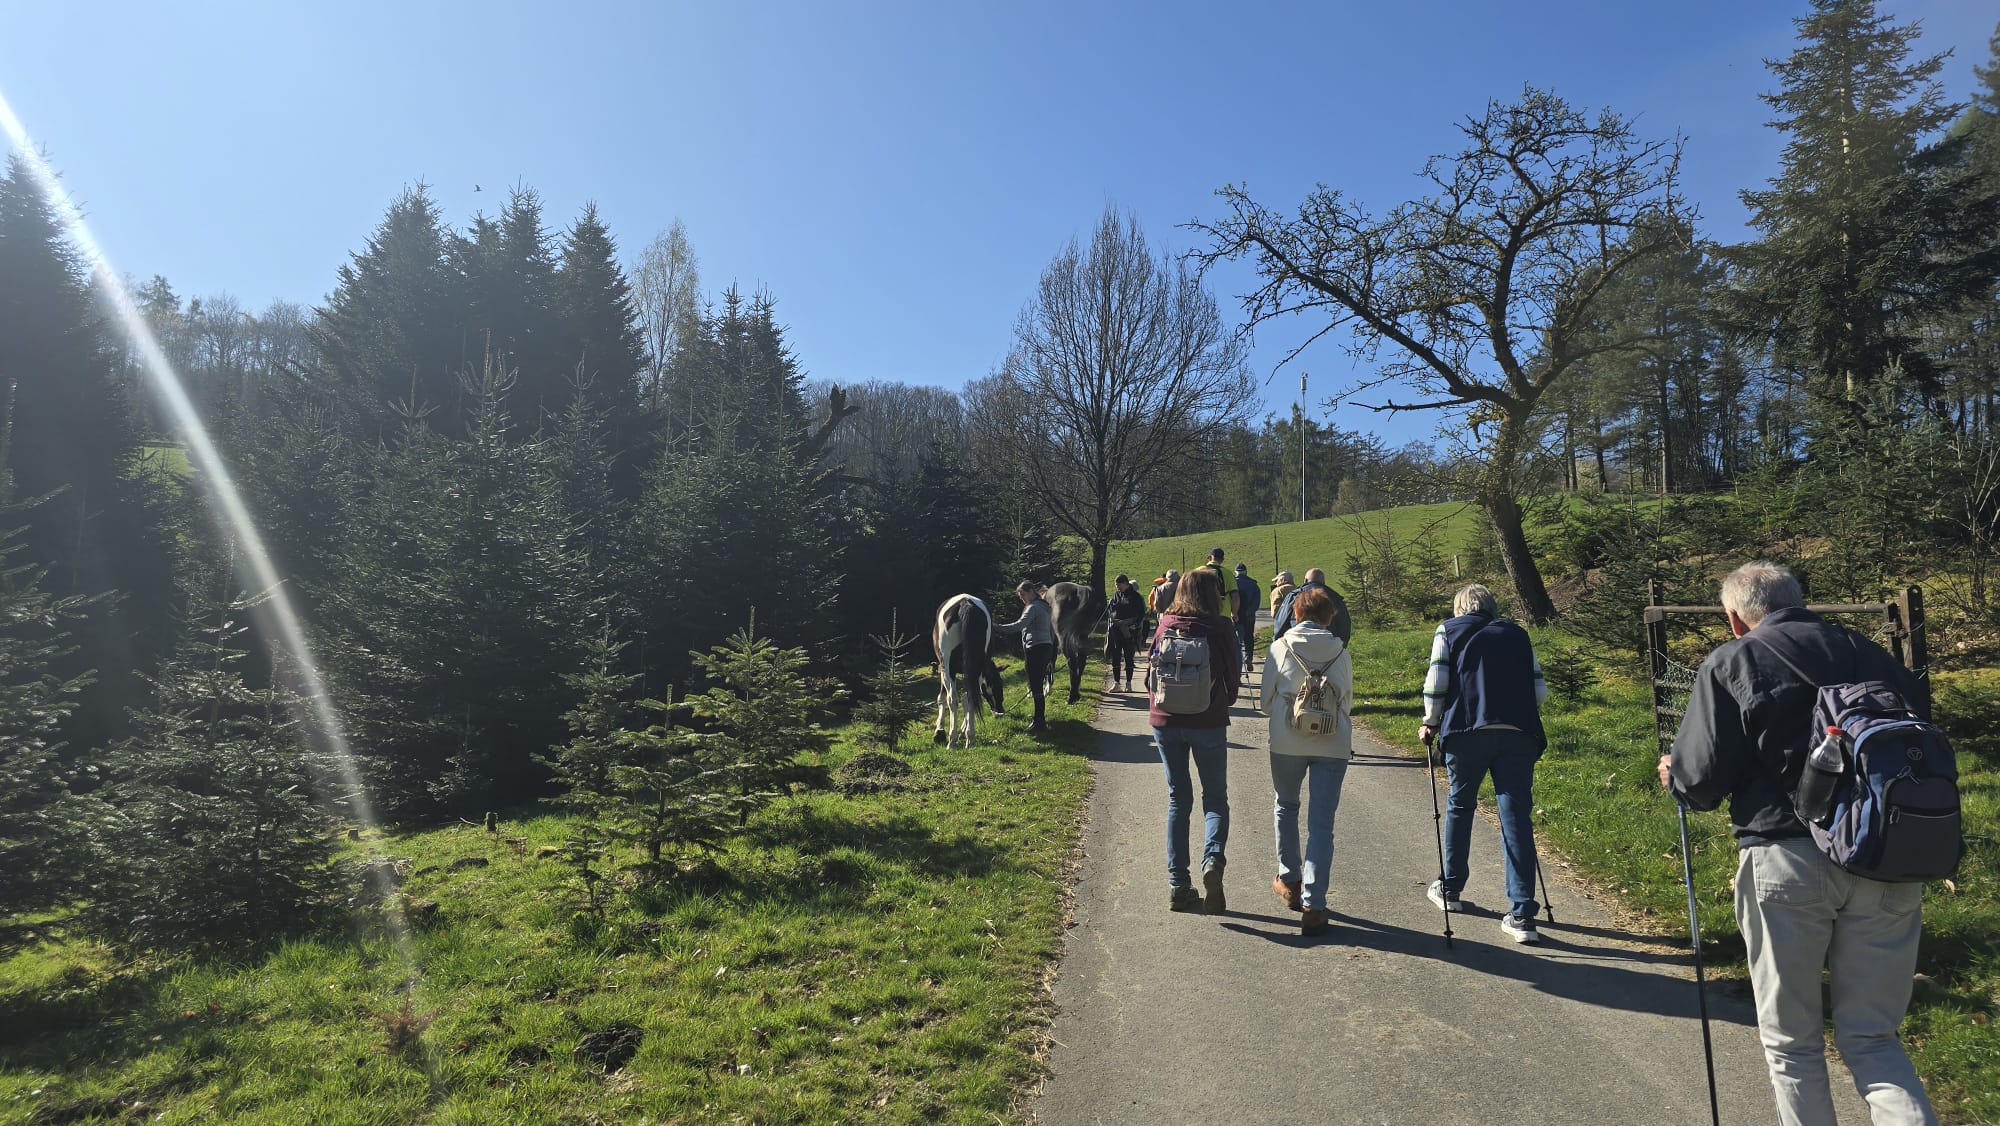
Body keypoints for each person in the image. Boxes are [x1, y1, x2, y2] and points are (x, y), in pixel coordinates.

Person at [1660, 562, 1938, 1125]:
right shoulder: (1870, 654)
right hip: (1888, 854)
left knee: (1793, 1044)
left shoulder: (1734, 660)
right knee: (1874, 1038)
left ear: (1736, 618)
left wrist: (1674, 775)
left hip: (1786, 856)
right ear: (1800, 600)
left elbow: (1701, 783)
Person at [1418, 583, 1548, 944]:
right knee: (1516, 819)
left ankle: (1451, 887)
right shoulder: (1517, 634)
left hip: (1466, 731)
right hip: (1518, 733)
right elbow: (1539, 692)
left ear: (1460, 609)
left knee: (1461, 805)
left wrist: (1430, 722)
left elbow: (1437, 681)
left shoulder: (1449, 630)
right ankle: (1523, 916)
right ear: (1492, 608)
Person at [1258, 586, 1352, 936]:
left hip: (1287, 742)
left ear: (1295, 614)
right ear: (1329, 617)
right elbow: (1348, 700)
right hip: (1333, 742)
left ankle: (1290, 879)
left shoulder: (1279, 647)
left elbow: (1267, 703)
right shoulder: (1341, 652)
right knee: (1322, 824)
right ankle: (1315, 904)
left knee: (1286, 805)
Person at [1148, 567, 1242, 914]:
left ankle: (1178, 885)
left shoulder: (1165, 624)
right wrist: (1223, 700)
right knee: (1215, 798)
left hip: (1166, 721)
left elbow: (1150, 676)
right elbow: (1233, 674)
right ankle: (1212, 860)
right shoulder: (1220, 627)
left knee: (1178, 799)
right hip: (1209, 722)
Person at [995, 579, 1057, 735]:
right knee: (1038, 683)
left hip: (1035, 648)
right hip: (1046, 647)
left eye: (1022, 595)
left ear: (1031, 592)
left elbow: (1018, 625)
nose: (1021, 598)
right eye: (1019, 596)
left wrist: (996, 627)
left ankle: (1039, 721)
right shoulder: (1045, 607)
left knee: (1035, 684)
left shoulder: (1033, 608)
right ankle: (1039, 717)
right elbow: (1051, 630)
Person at [1272, 567, 1352, 644]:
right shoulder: (1335, 598)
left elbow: (1280, 624)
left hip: (1297, 647)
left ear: (1305, 580)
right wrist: (1339, 648)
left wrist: (1278, 645)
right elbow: (1344, 626)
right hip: (1328, 648)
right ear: (1323, 582)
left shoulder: (1294, 596)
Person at [1105, 573, 1147, 692]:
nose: (1118, 588)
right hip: (1116, 628)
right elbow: (1112, 609)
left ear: (1125, 583)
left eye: (1119, 585)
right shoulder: (1116, 595)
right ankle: (1117, 683)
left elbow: (1141, 612)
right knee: (1116, 656)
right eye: (1116, 586)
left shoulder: (1136, 596)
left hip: (1130, 629)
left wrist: (1136, 624)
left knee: (1129, 657)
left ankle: (1128, 683)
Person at [1233, 563, 1261, 673]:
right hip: (1249, 617)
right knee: (1249, 638)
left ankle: (1237, 662)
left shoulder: (1233, 583)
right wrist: (1250, 612)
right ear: (1246, 572)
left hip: (1236, 616)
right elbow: (1256, 603)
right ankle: (1248, 657)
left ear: (1236, 572)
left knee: (1237, 641)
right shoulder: (1253, 585)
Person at [1202, 547, 1241, 620]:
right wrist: (1234, 614)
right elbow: (1235, 597)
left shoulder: (1196, 572)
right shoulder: (1228, 574)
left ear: (1209, 557)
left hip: (1201, 615)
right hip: (1223, 616)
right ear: (1222, 559)